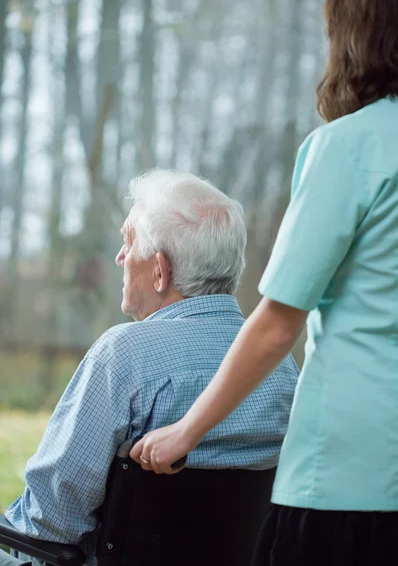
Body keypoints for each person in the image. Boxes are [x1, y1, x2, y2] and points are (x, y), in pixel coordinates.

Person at [131, 0, 398, 565]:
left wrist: (187, 432)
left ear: (356, 36)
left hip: (348, 473)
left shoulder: (350, 146)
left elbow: (279, 323)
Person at [2, 170, 299, 566]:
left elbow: (49, 526)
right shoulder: (278, 367)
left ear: (160, 270)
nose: (120, 257)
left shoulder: (124, 354)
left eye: (128, 242)